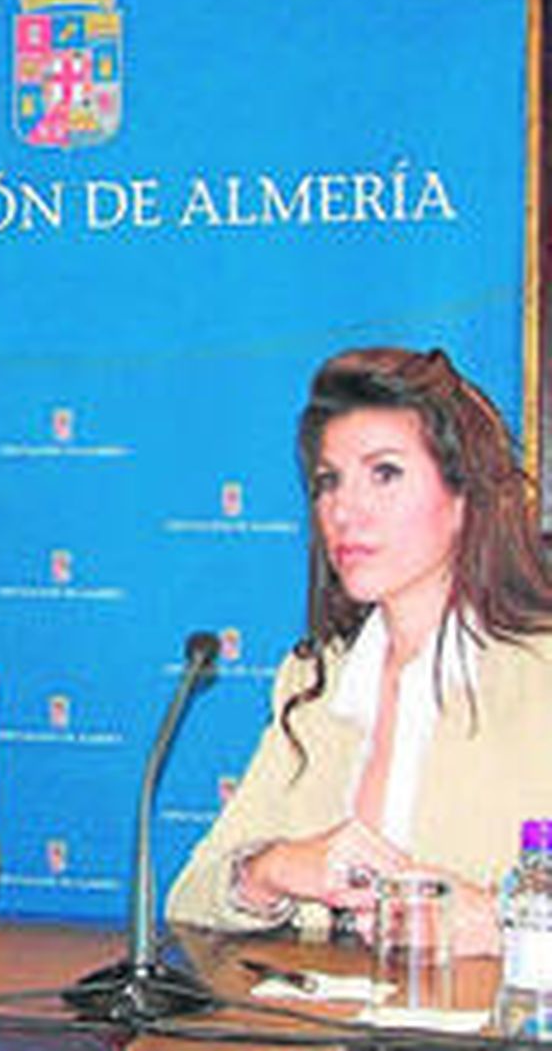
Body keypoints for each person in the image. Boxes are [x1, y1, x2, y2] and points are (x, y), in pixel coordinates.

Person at [166, 347, 552, 955]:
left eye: (385, 473)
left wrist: (498, 923)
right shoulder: (314, 680)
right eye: (328, 482)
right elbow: (189, 898)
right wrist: (274, 869)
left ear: (464, 499)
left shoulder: (541, 677)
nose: (344, 510)